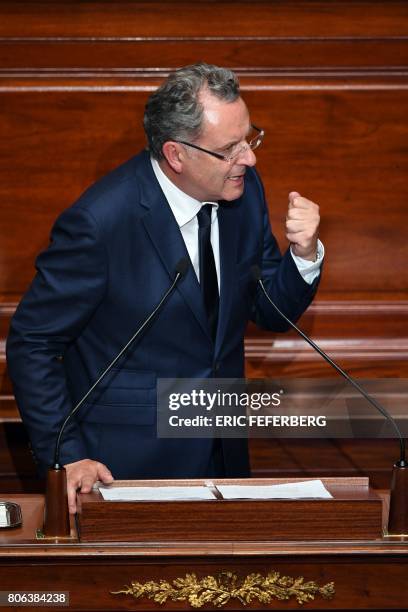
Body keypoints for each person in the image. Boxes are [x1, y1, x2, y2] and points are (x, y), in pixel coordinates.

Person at [6, 63, 323, 513]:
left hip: (225, 462)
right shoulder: (100, 223)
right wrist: (68, 456)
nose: (249, 159)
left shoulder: (243, 190)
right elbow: (32, 343)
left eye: (250, 139)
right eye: (230, 148)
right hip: (124, 471)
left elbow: (270, 309)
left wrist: (305, 254)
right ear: (176, 155)